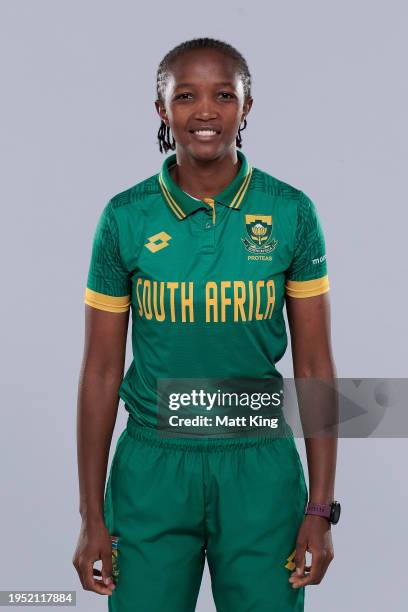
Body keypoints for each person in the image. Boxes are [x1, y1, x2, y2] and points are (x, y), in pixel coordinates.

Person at [73, 37, 338, 612]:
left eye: (224, 94)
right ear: (162, 110)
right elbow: (99, 372)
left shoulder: (290, 212)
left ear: (247, 106)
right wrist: (92, 515)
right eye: (186, 95)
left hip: (259, 466)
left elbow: (314, 367)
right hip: (153, 469)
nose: (206, 111)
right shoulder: (126, 217)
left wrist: (320, 509)